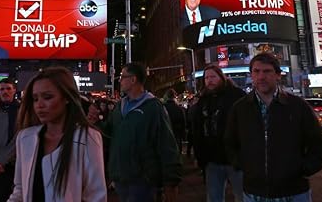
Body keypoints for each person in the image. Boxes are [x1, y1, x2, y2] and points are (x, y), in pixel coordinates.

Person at [225, 53, 322, 202]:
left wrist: (306, 168)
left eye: (267, 71)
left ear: (278, 75)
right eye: (256, 71)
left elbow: (320, 143)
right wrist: (242, 165)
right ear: (251, 75)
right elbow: (230, 142)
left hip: (294, 192)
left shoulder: (297, 106)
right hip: (254, 192)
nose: (261, 77)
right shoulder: (240, 108)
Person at [7, 67, 106, 202]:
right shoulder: (25, 138)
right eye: (35, 99)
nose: (39, 105)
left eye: (47, 97)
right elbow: (20, 189)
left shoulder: (87, 137)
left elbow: (96, 194)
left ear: (66, 98)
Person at [103, 62, 182, 202]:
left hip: (142, 181)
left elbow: (167, 145)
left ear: (133, 80)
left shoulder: (153, 108)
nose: (119, 80)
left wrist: (171, 181)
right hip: (120, 177)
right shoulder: (119, 107)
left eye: (122, 76)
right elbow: (108, 133)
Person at [193, 64, 246, 202]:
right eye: (206, 78)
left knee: (242, 196)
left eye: (213, 77)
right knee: (214, 197)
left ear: (221, 77)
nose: (209, 80)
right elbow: (198, 128)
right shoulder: (203, 100)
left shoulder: (236, 95)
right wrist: (200, 156)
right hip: (212, 159)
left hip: (235, 158)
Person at [163, 89, 187, 153]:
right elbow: (183, 122)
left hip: (166, 133)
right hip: (177, 133)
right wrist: (183, 135)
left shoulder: (163, 108)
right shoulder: (179, 108)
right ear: (174, 97)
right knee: (177, 150)